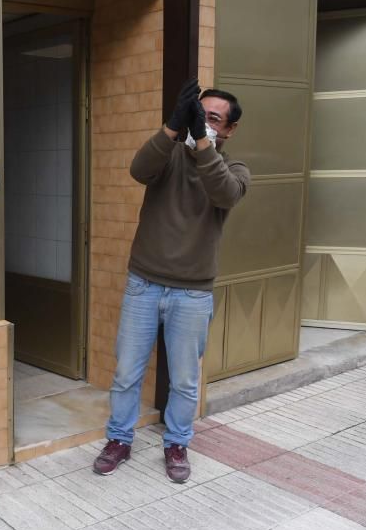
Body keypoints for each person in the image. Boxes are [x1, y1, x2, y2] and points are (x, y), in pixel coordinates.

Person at [93, 79, 250, 484]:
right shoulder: (169, 156)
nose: (204, 122)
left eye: (213, 118)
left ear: (229, 129)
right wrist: (172, 126)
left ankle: (177, 442)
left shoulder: (234, 169)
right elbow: (139, 169)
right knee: (127, 371)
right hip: (144, 283)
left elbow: (223, 194)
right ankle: (119, 439)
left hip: (193, 291)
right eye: (199, 114)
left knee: (183, 379)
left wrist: (201, 140)